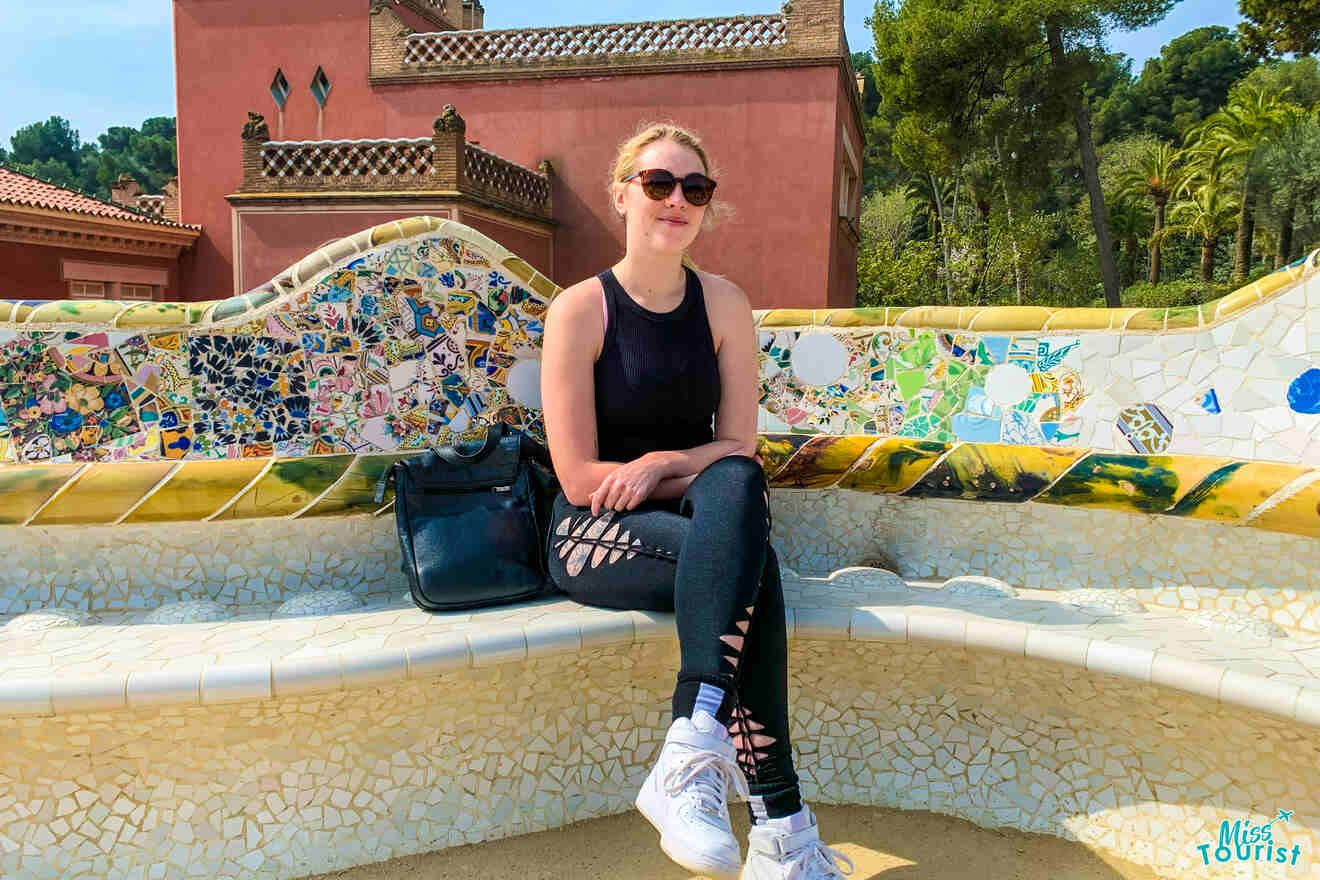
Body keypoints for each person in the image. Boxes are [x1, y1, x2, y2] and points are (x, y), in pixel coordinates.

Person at [538, 121, 853, 880]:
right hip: (593, 536)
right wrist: (673, 472)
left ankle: (694, 746)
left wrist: (656, 464)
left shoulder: (723, 304)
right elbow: (581, 479)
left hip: (692, 520)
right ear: (622, 195)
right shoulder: (581, 310)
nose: (676, 200)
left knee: (739, 494)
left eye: (695, 188)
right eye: (658, 183)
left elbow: (739, 448)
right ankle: (784, 832)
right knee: (749, 569)